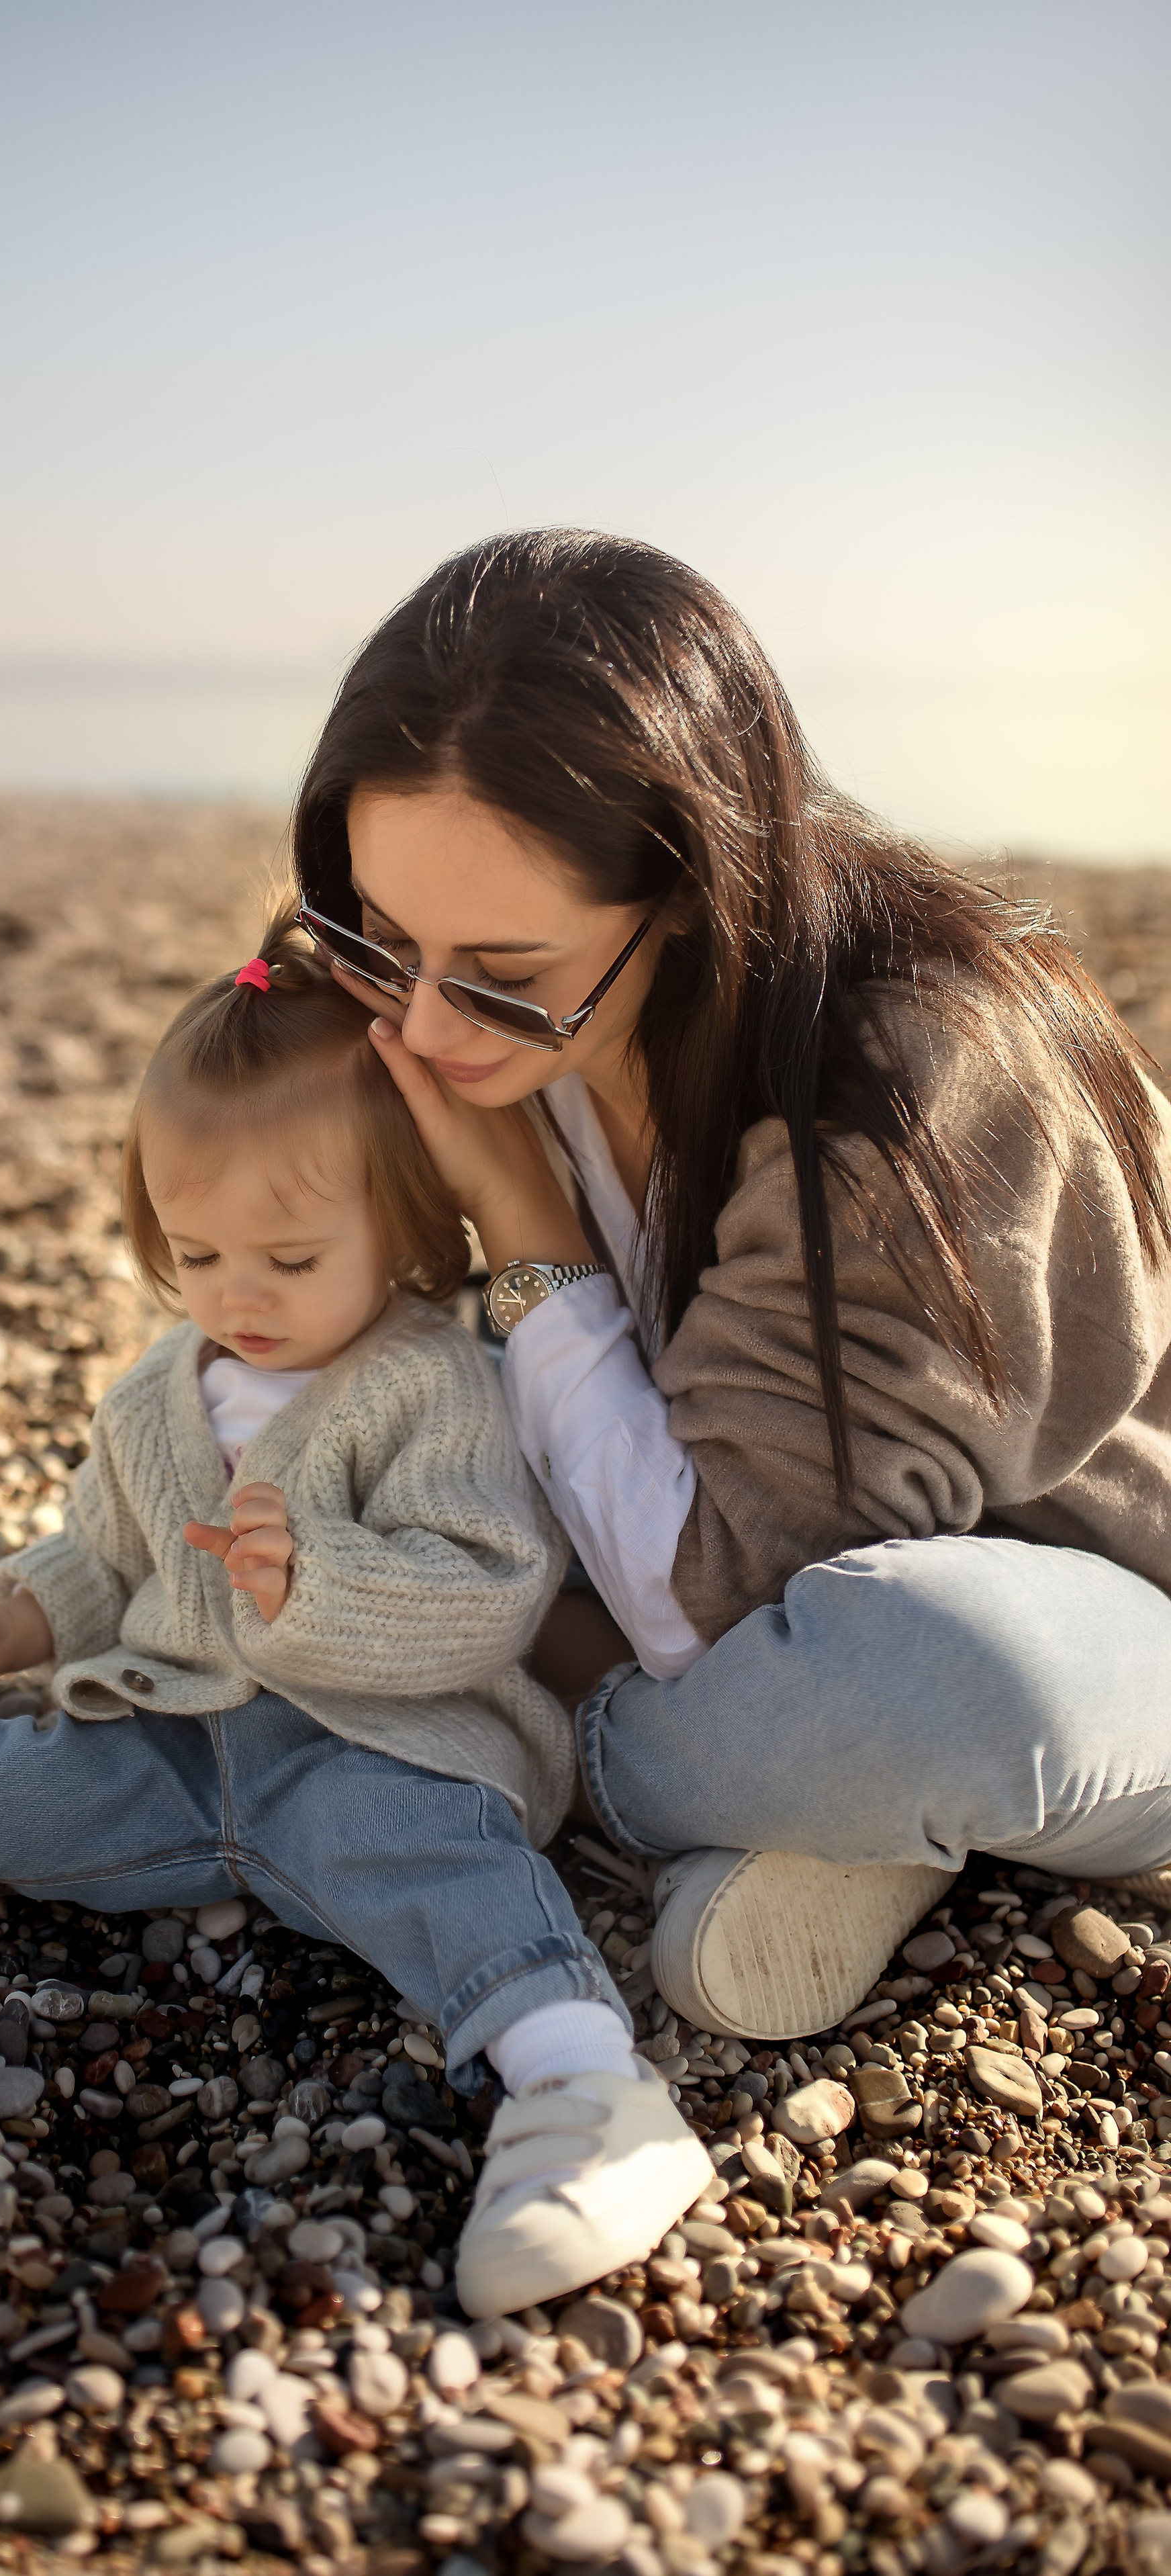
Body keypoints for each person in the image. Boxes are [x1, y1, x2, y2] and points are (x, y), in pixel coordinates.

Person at [0, 917, 715, 2318]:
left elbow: (489, 1588)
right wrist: (20, 1623)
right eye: (196, 1251)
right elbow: (108, 1553)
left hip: (379, 1748)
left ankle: (585, 2091)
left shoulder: (433, 1385)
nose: (237, 1295)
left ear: (408, 1230)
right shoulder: (165, 1392)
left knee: (449, 1877)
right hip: (170, 1732)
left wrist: (319, 1583)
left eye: (291, 1259)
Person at [292, 528, 1171, 2055]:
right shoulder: (469, 1007)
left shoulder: (914, 1088)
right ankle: (839, 1825)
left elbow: (713, 1600)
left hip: (1072, 1608)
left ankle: (584, 1751)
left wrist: (521, 1219)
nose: (425, 1028)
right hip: (731, 1574)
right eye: (381, 936)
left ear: (693, 890)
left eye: (504, 972)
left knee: (947, 1680)